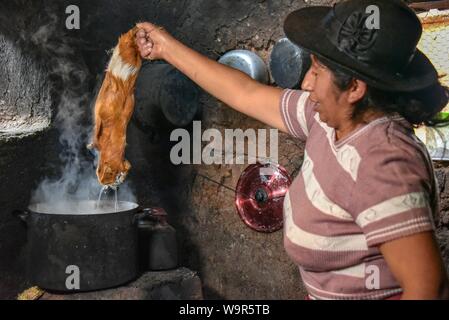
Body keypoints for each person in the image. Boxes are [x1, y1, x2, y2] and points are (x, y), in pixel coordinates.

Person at [135, 0, 449, 299]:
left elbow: (429, 288)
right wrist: (166, 47)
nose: (307, 83)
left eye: (318, 71)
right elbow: (244, 92)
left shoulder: (382, 161)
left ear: (355, 88)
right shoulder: (330, 119)